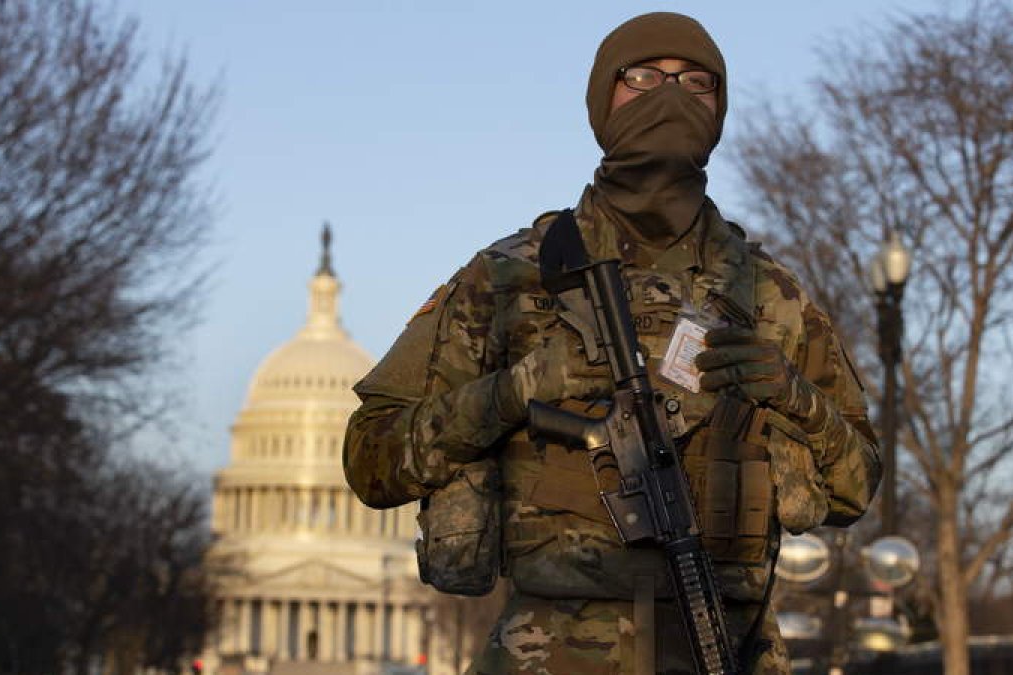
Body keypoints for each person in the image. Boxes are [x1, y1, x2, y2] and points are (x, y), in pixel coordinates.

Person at [344, 12, 880, 675]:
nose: (670, 95)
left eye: (695, 82)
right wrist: (512, 391)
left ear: (719, 108)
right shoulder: (513, 274)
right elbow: (372, 457)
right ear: (604, 99)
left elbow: (859, 488)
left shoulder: (770, 295)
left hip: (726, 646)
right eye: (644, 77)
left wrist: (796, 399)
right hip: (549, 653)